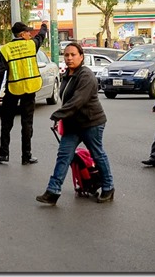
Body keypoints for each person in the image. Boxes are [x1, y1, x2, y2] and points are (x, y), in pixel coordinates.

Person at [36, 43, 115, 205]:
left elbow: (78, 101)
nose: (69, 58)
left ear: (81, 56)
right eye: (66, 55)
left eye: (73, 55)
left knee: (97, 154)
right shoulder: (67, 74)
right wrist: (62, 117)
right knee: (64, 156)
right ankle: (53, 191)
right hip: (72, 124)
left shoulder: (86, 76)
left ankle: (108, 187)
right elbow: (66, 99)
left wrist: (58, 114)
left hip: (91, 122)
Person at [0, 21, 48, 165]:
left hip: (13, 89)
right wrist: (44, 25)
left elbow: (0, 72)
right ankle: (26, 156)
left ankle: (4, 154)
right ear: (22, 34)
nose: (30, 34)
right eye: (28, 32)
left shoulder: (6, 49)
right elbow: (41, 36)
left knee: (6, 122)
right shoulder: (31, 45)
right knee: (27, 123)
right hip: (29, 89)